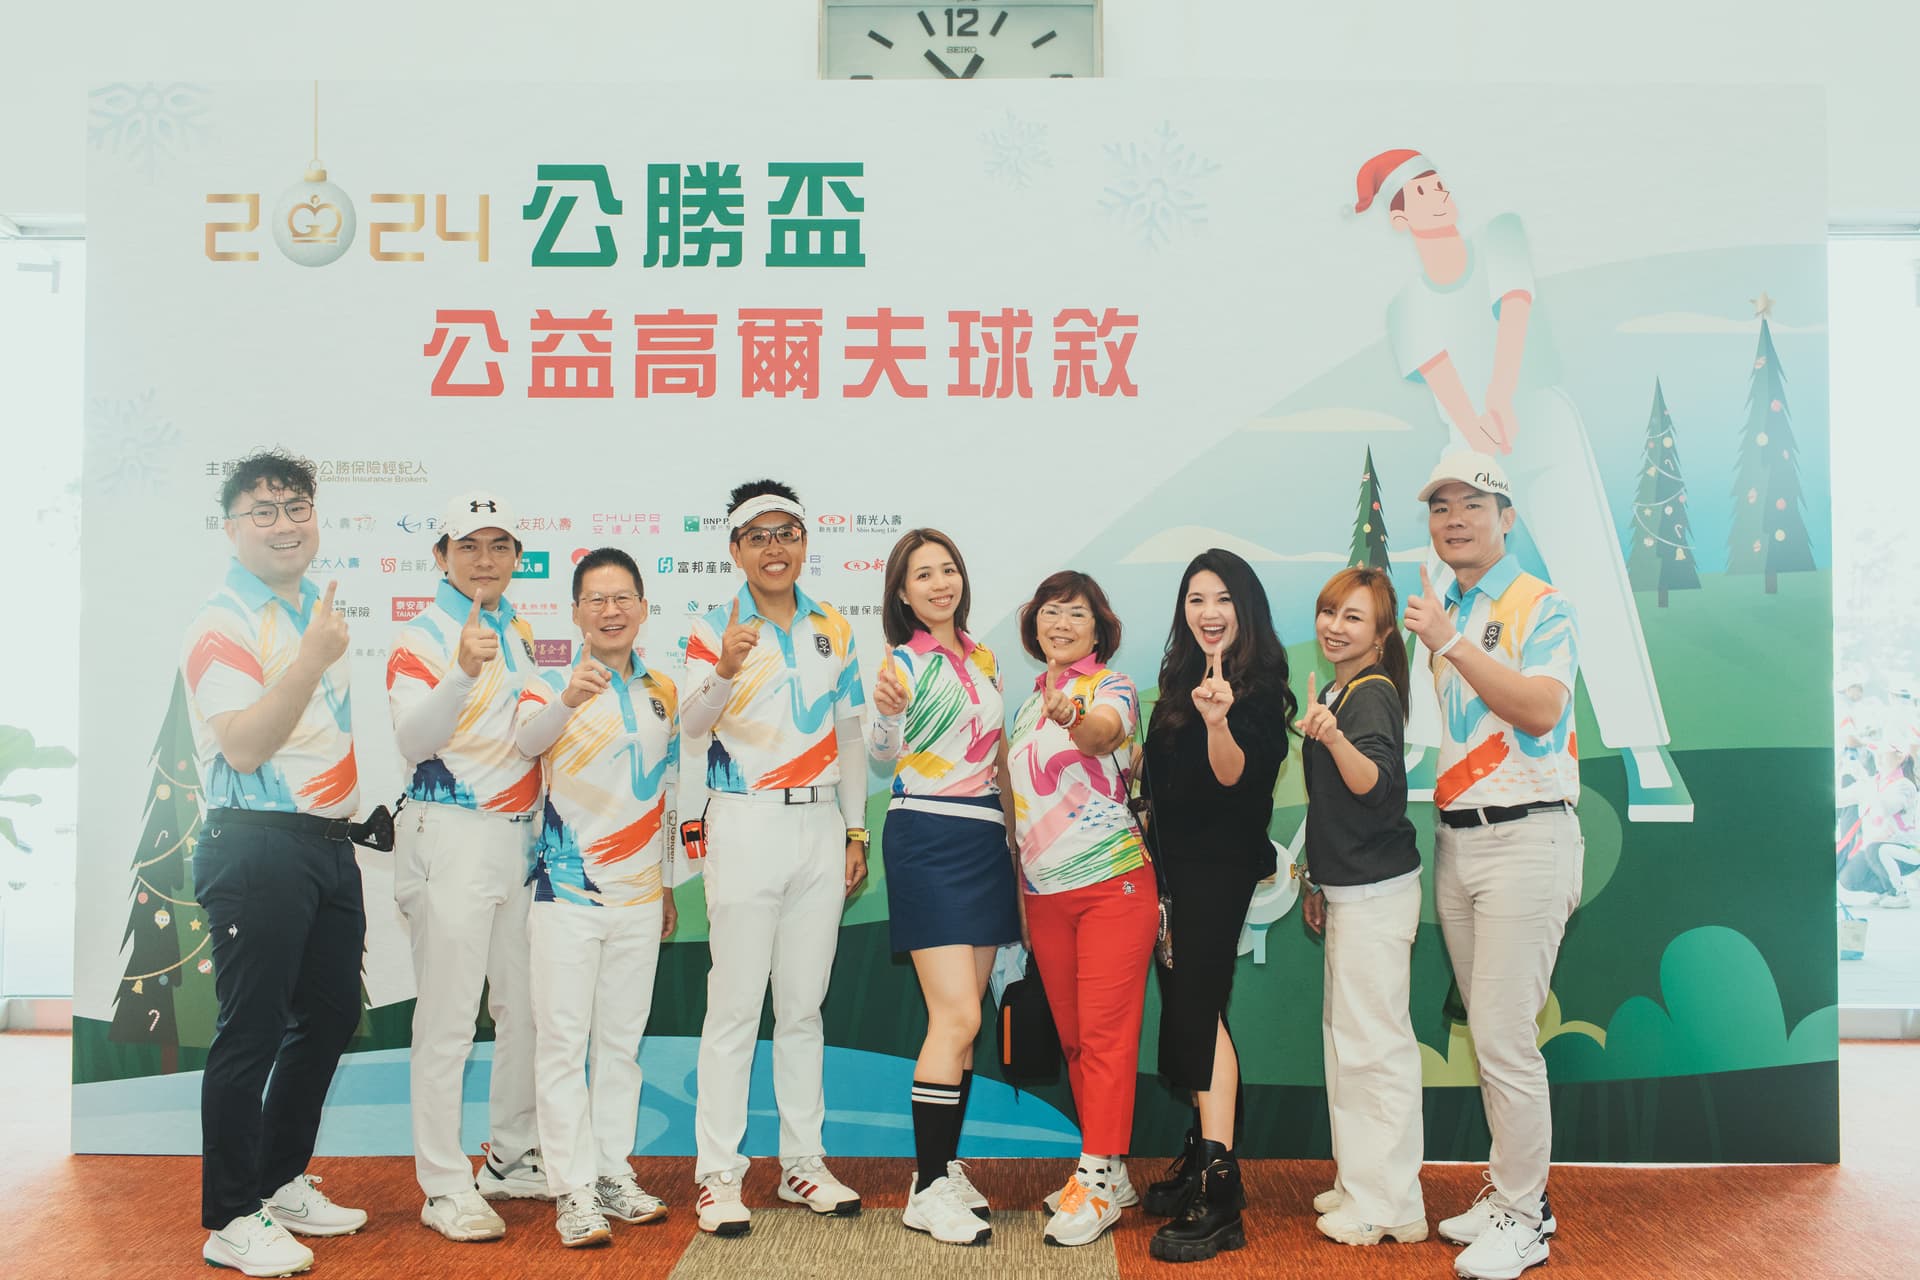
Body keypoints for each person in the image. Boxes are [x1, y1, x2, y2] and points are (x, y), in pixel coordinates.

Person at [1352, 147, 1688, 821]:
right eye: (1422, 193)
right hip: (1467, 443)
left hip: (1537, 419)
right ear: (1399, 219)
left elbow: (1515, 316)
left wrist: (1501, 399)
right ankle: (1422, 745)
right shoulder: (1406, 305)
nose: (1440, 196)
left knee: (1590, 579)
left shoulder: (1501, 237)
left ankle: (1645, 752)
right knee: (1438, 600)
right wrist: (1477, 427)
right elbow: (1445, 380)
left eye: (1440, 184)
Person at [183, 449, 367, 1276]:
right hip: (254, 843)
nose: (285, 523)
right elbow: (247, 745)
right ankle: (229, 1216)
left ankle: (279, 1179)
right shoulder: (222, 622)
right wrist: (311, 661)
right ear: (232, 528)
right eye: (264, 510)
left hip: (325, 844)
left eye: (297, 507)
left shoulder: (308, 611)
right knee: (250, 1031)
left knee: (327, 1017)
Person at [1401, 451, 1580, 1280]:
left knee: (1507, 1039)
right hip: (1458, 840)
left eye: (1472, 504)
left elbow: (1541, 710)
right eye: (1441, 508)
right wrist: (1446, 632)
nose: (1455, 520)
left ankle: (1525, 1215)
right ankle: (1510, 1192)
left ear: (1506, 517)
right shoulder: (1452, 605)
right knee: (1490, 1032)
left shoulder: (1540, 603)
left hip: (1529, 837)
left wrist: (1450, 642)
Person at [681, 479, 869, 1237]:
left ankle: (802, 1162)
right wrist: (725, 668)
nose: (774, 548)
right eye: (757, 536)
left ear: (804, 542)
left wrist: (856, 831)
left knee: (802, 1007)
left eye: (786, 533)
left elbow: (850, 735)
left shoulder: (833, 626)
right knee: (734, 1007)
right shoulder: (713, 627)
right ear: (735, 549)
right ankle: (718, 1175)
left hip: (820, 827)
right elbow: (692, 725)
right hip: (744, 821)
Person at [386, 491, 546, 1242]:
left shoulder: (519, 631)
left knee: (524, 1009)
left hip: (519, 840)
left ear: (517, 557)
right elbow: (412, 742)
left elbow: (528, 738)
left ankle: (510, 1157)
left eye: (499, 545)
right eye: (469, 546)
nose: (485, 560)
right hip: (448, 834)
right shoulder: (420, 637)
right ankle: (444, 1184)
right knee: (449, 1019)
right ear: (441, 555)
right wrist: (456, 673)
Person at [513, 548, 679, 1247]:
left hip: (638, 898)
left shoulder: (664, 690)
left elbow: (667, 794)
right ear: (576, 612)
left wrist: (664, 880)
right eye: (596, 600)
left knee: (620, 1043)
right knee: (561, 1045)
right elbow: (525, 744)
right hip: (566, 893)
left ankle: (612, 1171)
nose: (611, 611)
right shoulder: (549, 684)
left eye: (623, 598)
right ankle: (572, 1189)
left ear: (642, 607)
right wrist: (567, 701)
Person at [1136, 550, 1293, 1263]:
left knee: (1198, 1011)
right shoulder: (1178, 678)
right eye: (1196, 598)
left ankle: (1220, 1189)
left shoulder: (1258, 689)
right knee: (1191, 1007)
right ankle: (1203, 1153)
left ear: (1245, 606)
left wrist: (1219, 722)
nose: (1209, 612)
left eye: (1223, 598)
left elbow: (1234, 780)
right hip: (1167, 871)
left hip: (1218, 869)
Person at [866, 528, 1019, 1246]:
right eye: (922, 574)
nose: (939, 583)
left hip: (985, 840)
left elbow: (1000, 757)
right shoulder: (900, 662)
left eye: (947, 569)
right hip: (926, 836)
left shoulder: (983, 657)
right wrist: (888, 713)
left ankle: (943, 1167)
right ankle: (926, 1187)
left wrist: (1017, 840)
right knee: (953, 1016)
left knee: (968, 1023)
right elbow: (882, 751)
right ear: (902, 593)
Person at [1008, 571, 1159, 1248]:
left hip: (1112, 885)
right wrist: (1021, 894)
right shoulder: (1024, 708)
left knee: (1104, 1036)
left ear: (1099, 627)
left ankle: (1094, 1180)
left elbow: (1101, 736)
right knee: (1073, 1038)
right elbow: (1019, 809)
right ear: (1034, 624)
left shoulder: (1111, 687)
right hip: (1045, 897)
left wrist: (1071, 714)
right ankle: (1112, 1170)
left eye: (1076, 613)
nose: (1061, 624)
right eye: (1051, 612)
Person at [1295, 567, 1428, 1248]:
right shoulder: (1343, 689)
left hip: (1377, 895)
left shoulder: (1370, 694)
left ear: (1380, 635)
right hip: (1352, 891)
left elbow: (1377, 787)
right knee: (1350, 1046)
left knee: (1374, 1051)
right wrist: (1318, 880)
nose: (1335, 626)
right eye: (1329, 612)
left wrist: (1334, 737)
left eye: (1353, 617)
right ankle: (1361, 1182)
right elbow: (1337, 808)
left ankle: (1390, 1204)